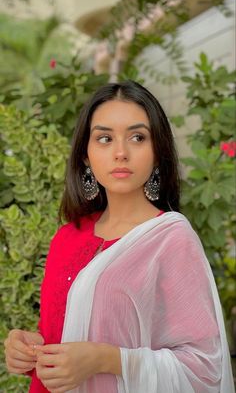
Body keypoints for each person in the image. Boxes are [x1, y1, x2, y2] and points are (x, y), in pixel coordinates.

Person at [4, 80, 234, 393]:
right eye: (104, 138)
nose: (121, 152)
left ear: (157, 152)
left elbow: (204, 366)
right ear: (85, 155)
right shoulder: (67, 238)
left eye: (138, 137)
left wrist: (106, 359)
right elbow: (60, 334)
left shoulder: (170, 239)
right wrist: (30, 347)